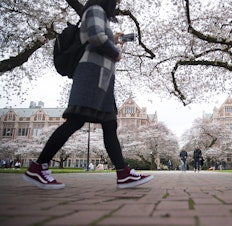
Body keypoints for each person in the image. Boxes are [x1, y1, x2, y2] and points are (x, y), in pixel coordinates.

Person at [23, 0, 153, 189]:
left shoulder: (99, 14)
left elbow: (98, 38)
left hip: (102, 78)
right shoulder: (94, 10)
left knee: (110, 123)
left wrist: (114, 40)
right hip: (92, 76)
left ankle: (123, 173)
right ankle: (38, 166)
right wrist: (115, 51)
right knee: (76, 121)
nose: (117, 3)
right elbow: (96, 37)